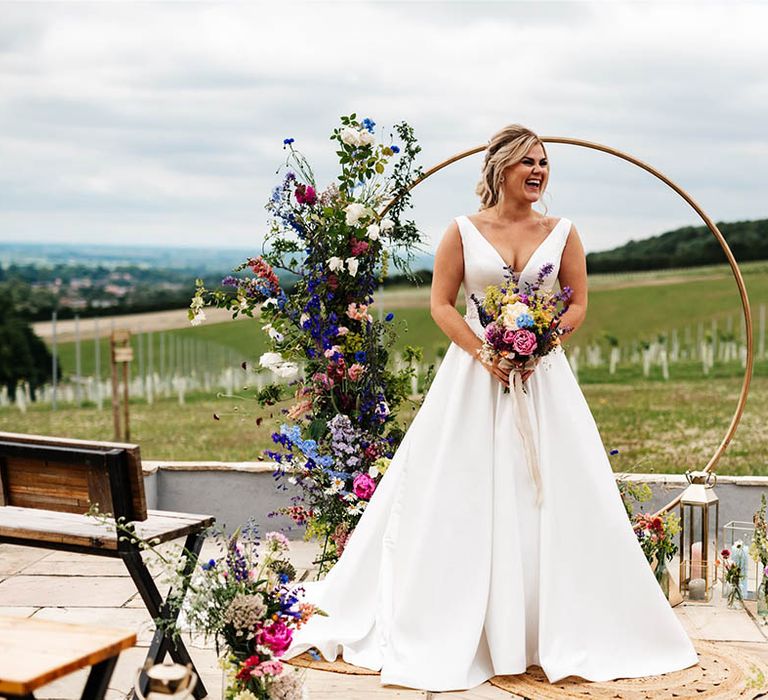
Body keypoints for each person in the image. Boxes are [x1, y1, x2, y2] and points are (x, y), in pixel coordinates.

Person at [281, 124, 700, 691]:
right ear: (499, 167)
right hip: (474, 379)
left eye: (544, 164)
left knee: (550, 493)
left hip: (543, 380)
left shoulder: (564, 231)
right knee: (461, 491)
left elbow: (577, 303)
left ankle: (543, 626)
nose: (538, 171)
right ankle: (460, 622)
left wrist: (543, 342)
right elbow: (441, 304)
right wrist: (486, 351)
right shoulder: (461, 231)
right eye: (527, 162)